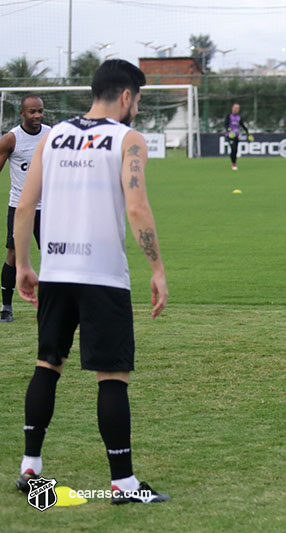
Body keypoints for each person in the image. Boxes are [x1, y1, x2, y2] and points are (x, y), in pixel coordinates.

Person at [14, 59, 170, 504]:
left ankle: (31, 467)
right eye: (137, 100)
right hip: (102, 276)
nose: (136, 108)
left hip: (56, 271)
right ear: (126, 97)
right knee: (112, 376)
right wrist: (156, 269)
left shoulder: (53, 136)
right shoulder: (127, 139)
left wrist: (25, 265)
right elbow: (137, 209)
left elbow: (26, 207)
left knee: (48, 364)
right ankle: (123, 484)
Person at [0, 94, 50, 322]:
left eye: (40, 110)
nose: (37, 115)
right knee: (13, 253)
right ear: (22, 113)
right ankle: (6, 307)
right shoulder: (11, 139)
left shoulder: (51, 135)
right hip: (19, 208)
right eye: (32, 111)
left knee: (53, 254)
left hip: (47, 208)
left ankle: (51, 305)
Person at [224, 103, 252, 170]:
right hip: (230, 135)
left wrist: (248, 132)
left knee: (235, 150)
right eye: (235, 108)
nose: (236, 109)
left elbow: (242, 125)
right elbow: (226, 124)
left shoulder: (239, 117)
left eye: (238, 108)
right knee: (233, 148)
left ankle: (234, 163)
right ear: (232, 108)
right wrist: (229, 130)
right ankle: (233, 164)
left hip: (236, 135)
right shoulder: (228, 116)